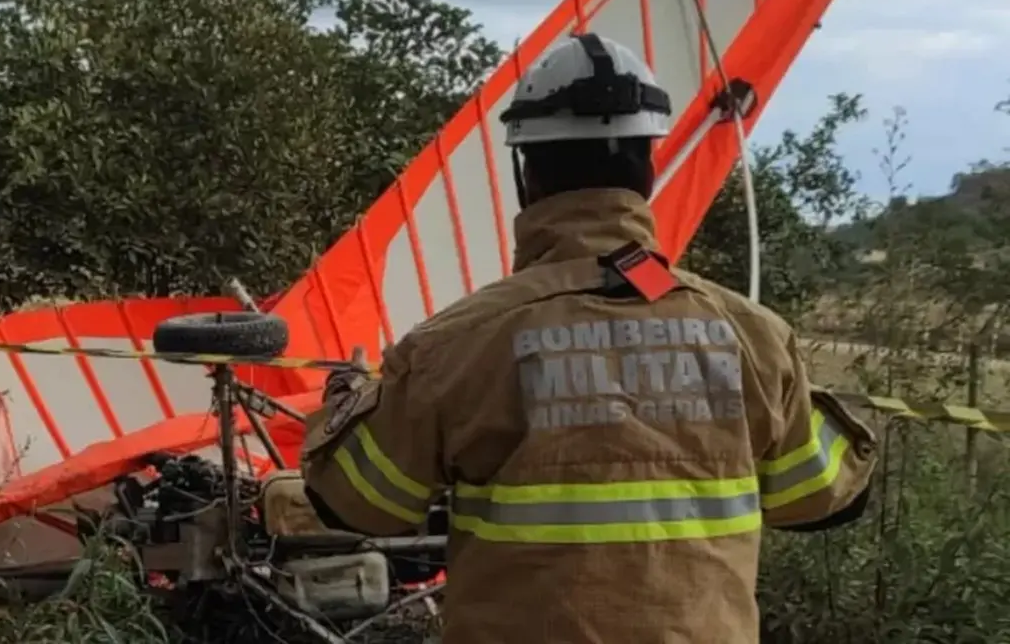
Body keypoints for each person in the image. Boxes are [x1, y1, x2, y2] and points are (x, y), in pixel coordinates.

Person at [299, 32, 878, 644]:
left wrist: (349, 397)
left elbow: (361, 502)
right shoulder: (750, 335)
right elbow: (821, 495)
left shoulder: (458, 344)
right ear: (647, 170)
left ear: (528, 176)